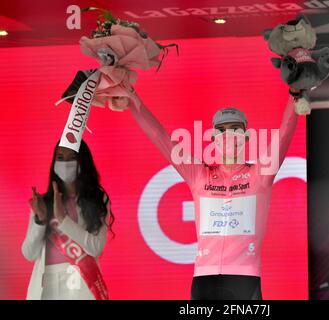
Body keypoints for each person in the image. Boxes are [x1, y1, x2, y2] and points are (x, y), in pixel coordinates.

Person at [129, 87, 301, 300]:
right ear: (213, 138)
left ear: (247, 137)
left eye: (235, 129)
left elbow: (284, 134)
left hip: (245, 279)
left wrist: (295, 93)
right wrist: (131, 99)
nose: (229, 134)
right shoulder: (200, 175)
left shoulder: (259, 175)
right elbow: (160, 137)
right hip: (204, 279)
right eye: (222, 130)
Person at [22, 140, 114, 300]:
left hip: (82, 283)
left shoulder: (98, 199)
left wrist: (63, 220)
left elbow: (96, 248)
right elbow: (29, 254)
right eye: (60, 157)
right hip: (46, 285)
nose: (65, 163)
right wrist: (40, 220)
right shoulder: (44, 202)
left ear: (82, 161)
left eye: (72, 157)